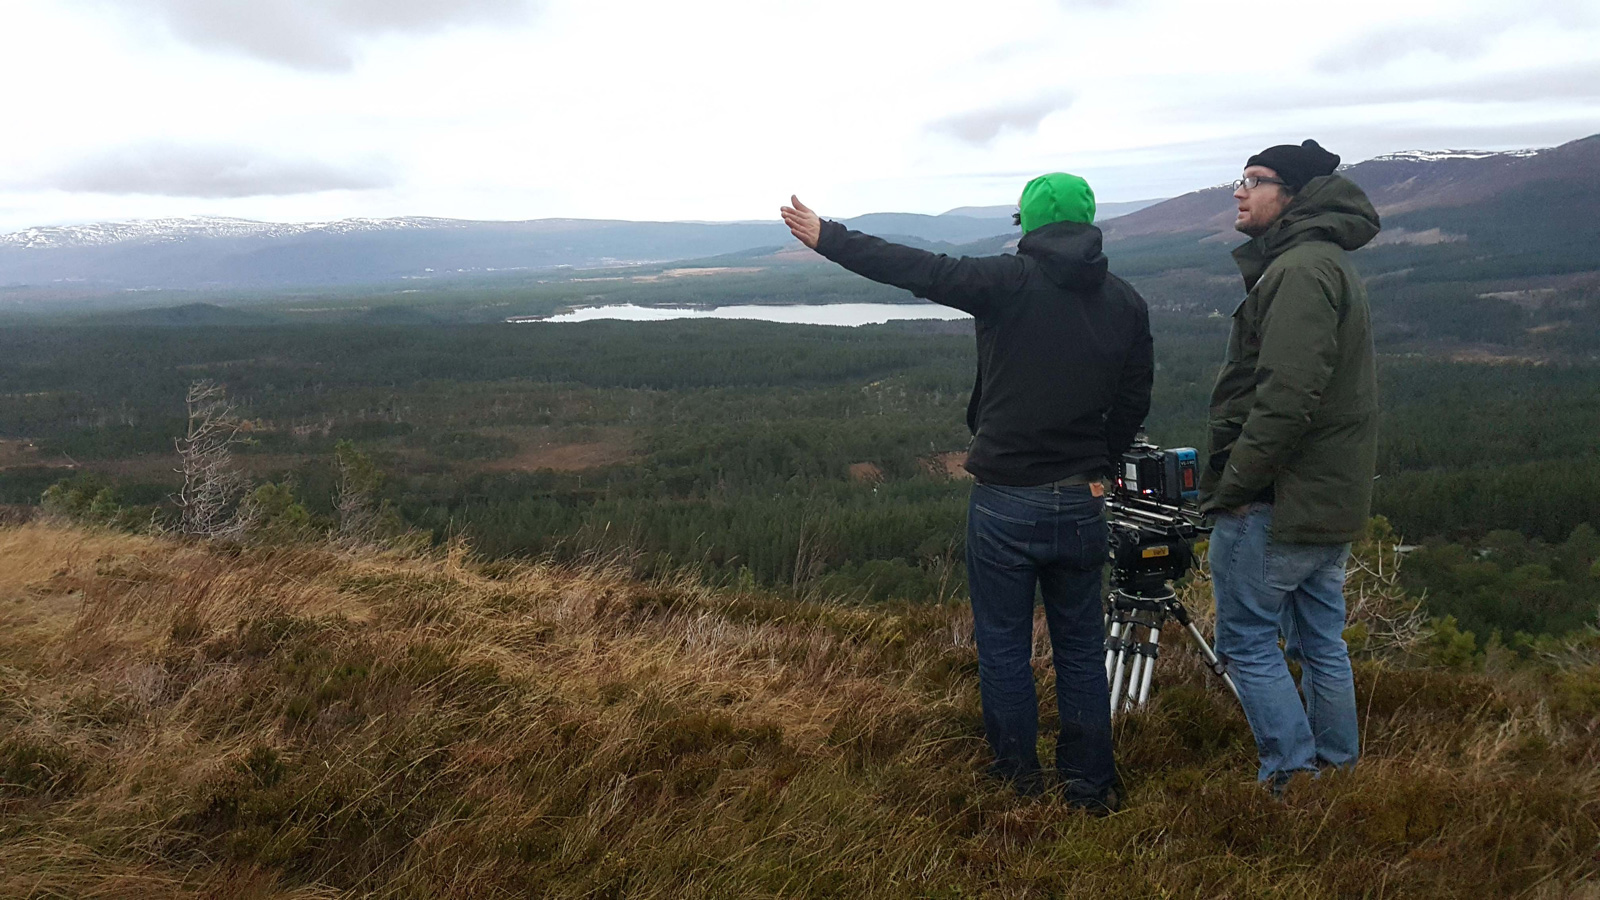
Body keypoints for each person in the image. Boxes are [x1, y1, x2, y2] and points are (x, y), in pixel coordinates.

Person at [781, 174, 1153, 812]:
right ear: (1091, 223)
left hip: (1008, 500)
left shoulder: (1007, 283)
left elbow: (919, 269)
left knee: (1005, 644)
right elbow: (1132, 403)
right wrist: (1101, 462)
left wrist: (830, 238)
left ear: (1028, 225)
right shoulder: (1125, 302)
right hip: (1082, 498)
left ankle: (1016, 782)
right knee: (1083, 650)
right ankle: (1091, 788)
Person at [1197, 140, 1381, 791]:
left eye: (1254, 179)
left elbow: (1286, 396)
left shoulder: (1300, 270)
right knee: (1319, 643)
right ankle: (1336, 775)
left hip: (1277, 502)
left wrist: (1235, 486)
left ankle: (1291, 781)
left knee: (1247, 643)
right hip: (1321, 503)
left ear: (1294, 194)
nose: (1239, 191)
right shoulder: (1322, 261)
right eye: (1239, 176)